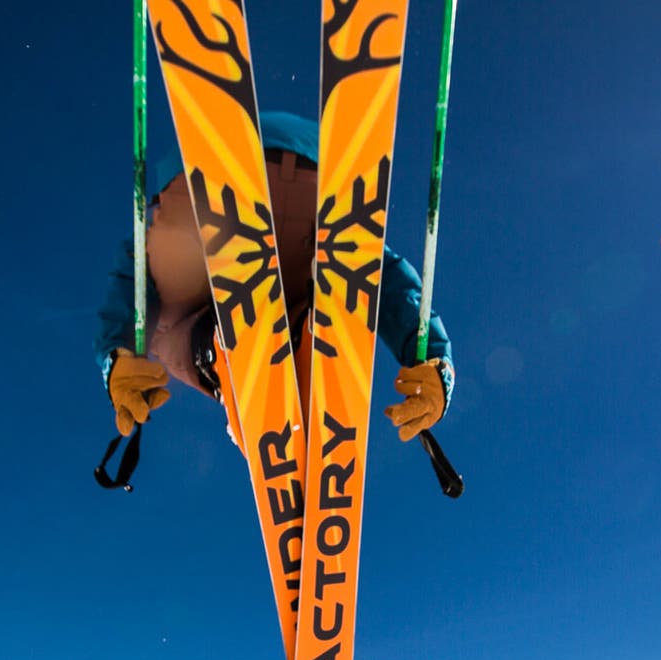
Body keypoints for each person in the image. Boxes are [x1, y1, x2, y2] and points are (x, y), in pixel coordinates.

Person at [94, 111, 455, 449]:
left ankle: (222, 351)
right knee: (345, 277)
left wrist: (118, 353)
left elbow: (138, 267)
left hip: (207, 190)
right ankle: (306, 341)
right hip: (317, 188)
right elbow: (383, 273)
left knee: (167, 336)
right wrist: (433, 359)